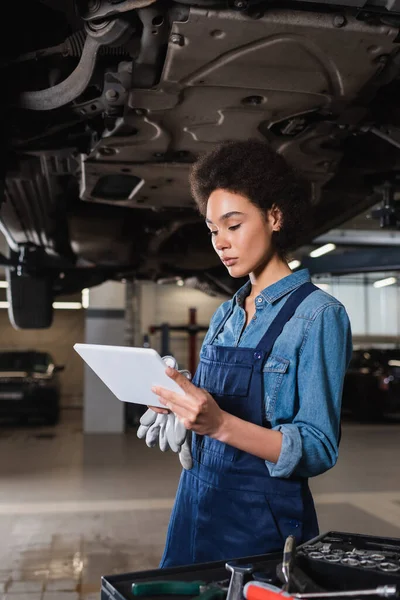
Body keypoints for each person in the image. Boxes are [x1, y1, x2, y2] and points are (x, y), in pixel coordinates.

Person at [150, 139, 352, 568]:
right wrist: (179, 401)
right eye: (213, 230)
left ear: (274, 217)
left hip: (261, 520)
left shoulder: (319, 316)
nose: (221, 242)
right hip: (195, 499)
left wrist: (220, 424)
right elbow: (208, 403)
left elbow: (317, 448)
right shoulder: (226, 313)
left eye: (234, 224)